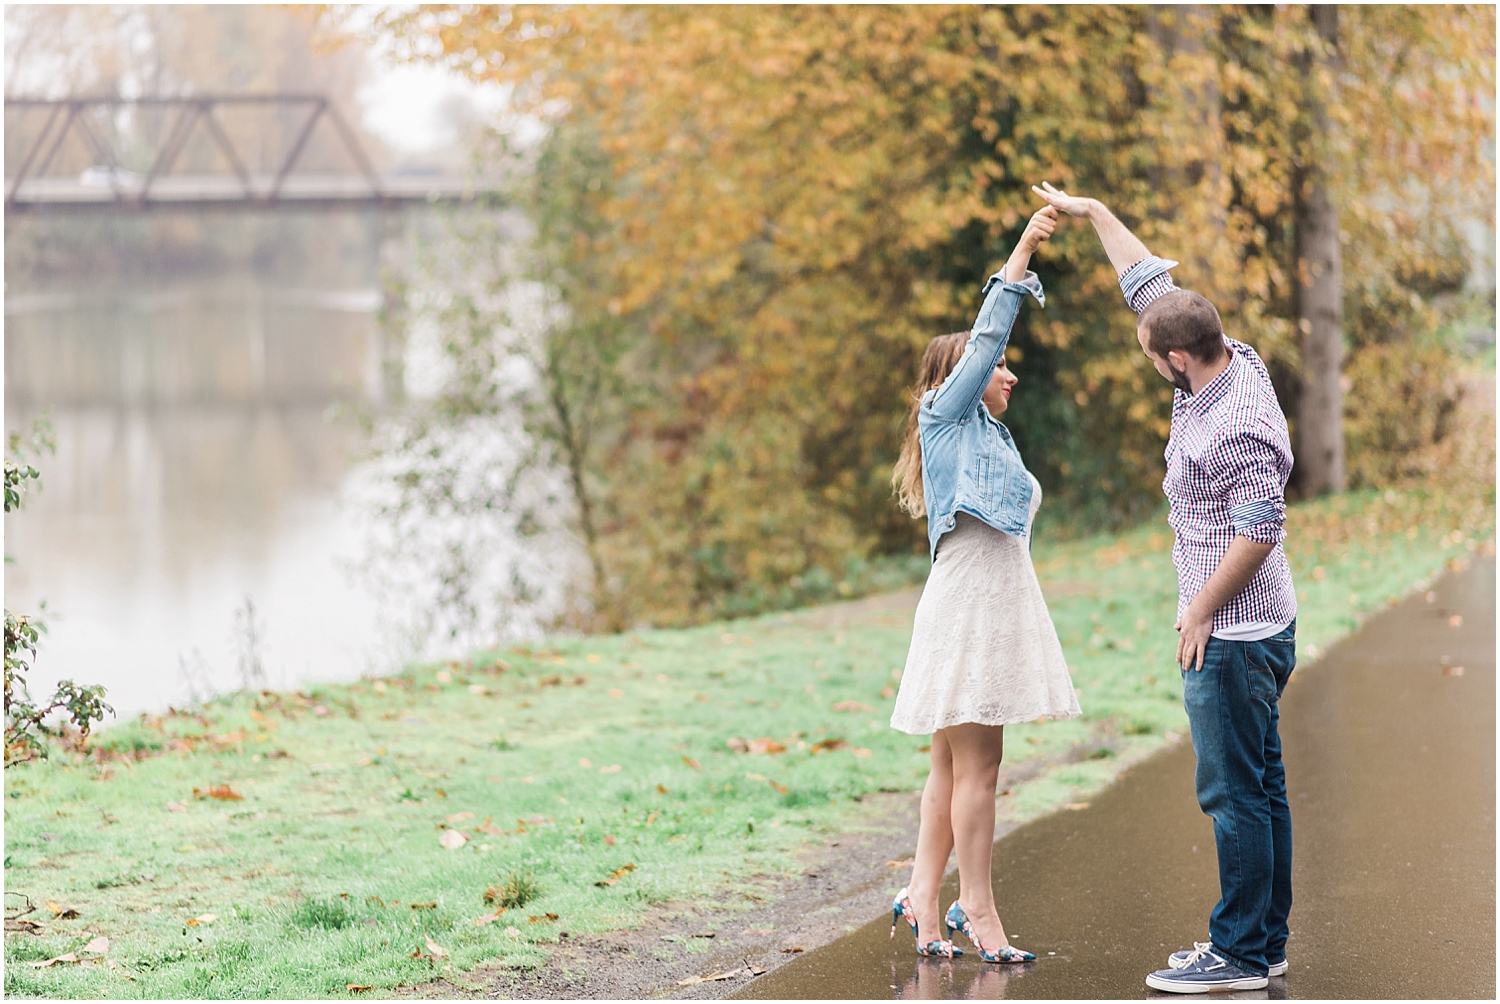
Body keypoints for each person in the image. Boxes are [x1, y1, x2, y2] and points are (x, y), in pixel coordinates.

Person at [1032, 182, 1298, 994]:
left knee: (1233, 794)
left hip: (1235, 634)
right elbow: (1150, 283)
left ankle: (1240, 955)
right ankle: (1266, 940)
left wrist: (1201, 611)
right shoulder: (1220, 350)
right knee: (1263, 787)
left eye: (1151, 354)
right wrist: (1091, 212)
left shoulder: (1236, 422)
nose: (1148, 358)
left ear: (1176, 358)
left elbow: (1260, 530)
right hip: (1245, 625)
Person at [887, 204, 1081, 963]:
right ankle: (980, 905)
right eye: (994, 365)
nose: (1010, 371)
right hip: (971, 605)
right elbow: (993, 331)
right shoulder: (948, 415)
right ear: (958, 377)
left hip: (983, 600)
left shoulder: (986, 436)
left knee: (950, 762)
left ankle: (923, 897)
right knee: (981, 765)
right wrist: (1027, 247)